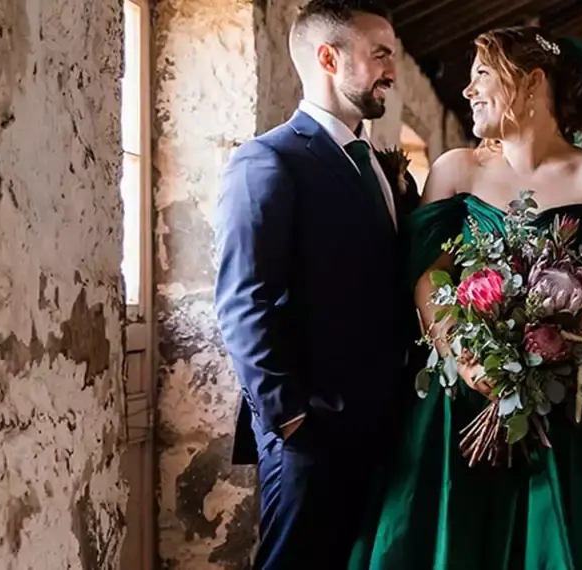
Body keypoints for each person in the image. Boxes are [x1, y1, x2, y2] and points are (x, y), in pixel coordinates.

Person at [347, 26, 582, 568]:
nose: (468, 90)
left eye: (481, 73)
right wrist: (466, 356)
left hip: (576, 409)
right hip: (462, 400)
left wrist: (560, 358)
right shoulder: (457, 170)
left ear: (530, 82)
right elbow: (429, 276)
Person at [211, 1, 419, 568]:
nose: (390, 70)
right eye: (379, 55)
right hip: (313, 432)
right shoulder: (268, 161)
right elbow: (241, 300)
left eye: (392, 57)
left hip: (385, 423)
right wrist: (291, 416)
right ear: (329, 58)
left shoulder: (375, 163)